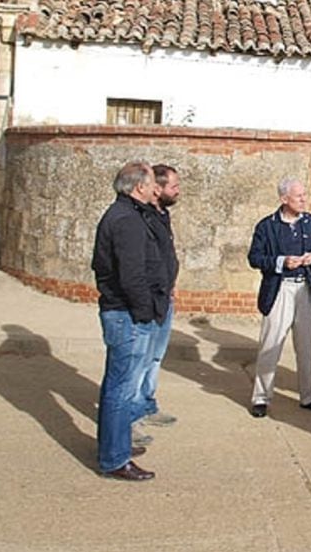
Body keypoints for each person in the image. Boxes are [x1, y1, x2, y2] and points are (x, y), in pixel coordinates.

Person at [91, 161, 175, 481]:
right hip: (127, 315)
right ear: (139, 187)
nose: (156, 187)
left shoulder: (134, 213)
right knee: (121, 388)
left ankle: (118, 445)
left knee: (121, 385)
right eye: (152, 181)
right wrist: (145, 312)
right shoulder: (125, 220)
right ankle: (114, 458)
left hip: (131, 312)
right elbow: (131, 275)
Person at [247, 178, 311, 418]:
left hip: (305, 289)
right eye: (298, 196)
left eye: (304, 195)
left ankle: (309, 395)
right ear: (284, 199)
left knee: (306, 347)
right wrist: (281, 262)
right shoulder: (266, 226)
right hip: (279, 289)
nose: (304, 199)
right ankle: (261, 397)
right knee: (270, 346)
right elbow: (255, 257)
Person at [136, 163, 181, 429]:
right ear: (157, 188)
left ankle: (147, 403)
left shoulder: (163, 215)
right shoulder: (141, 218)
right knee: (140, 358)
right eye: (173, 186)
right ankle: (132, 415)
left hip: (165, 298)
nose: (178, 191)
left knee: (155, 356)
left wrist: (171, 283)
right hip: (149, 299)